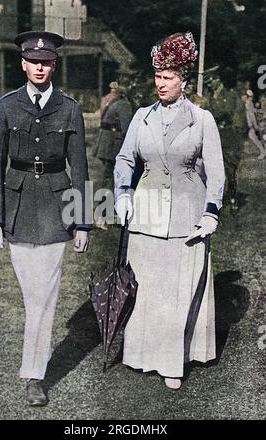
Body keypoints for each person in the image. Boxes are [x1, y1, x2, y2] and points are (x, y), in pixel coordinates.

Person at [114, 32, 225, 390]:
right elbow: (125, 158)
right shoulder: (142, 116)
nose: (161, 84)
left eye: (169, 77)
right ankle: (142, 356)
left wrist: (210, 213)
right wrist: (122, 194)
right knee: (146, 288)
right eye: (158, 77)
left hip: (185, 216)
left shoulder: (201, 119)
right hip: (146, 213)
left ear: (184, 81)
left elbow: (217, 170)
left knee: (177, 290)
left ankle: (172, 362)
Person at [0, 31, 91, 406]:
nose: (40, 67)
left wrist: (81, 222)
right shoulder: (7, 105)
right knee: (33, 298)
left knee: (44, 300)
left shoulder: (69, 108)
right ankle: (34, 366)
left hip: (53, 211)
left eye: (46, 62)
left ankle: (34, 377)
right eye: (34, 61)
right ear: (23, 64)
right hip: (16, 210)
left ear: (54, 65)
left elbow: (79, 168)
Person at [93, 81, 132, 190]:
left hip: (105, 141)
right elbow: (126, 128)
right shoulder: (124, 104)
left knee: (107, 173)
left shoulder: (113, 100)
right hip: (113, 143)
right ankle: (108, 201)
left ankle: (104, 200)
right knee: (112, 174)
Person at [243, 90, 266, 159]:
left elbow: (252, 114)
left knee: (261, 135)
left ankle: (263, 151)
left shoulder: (249, 103)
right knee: (254, 135)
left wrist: (255, 124)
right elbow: (253, 112)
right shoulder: (249, 103)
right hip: (259, 123)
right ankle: (263, 151)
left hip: (261, 124)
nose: (262, 102)